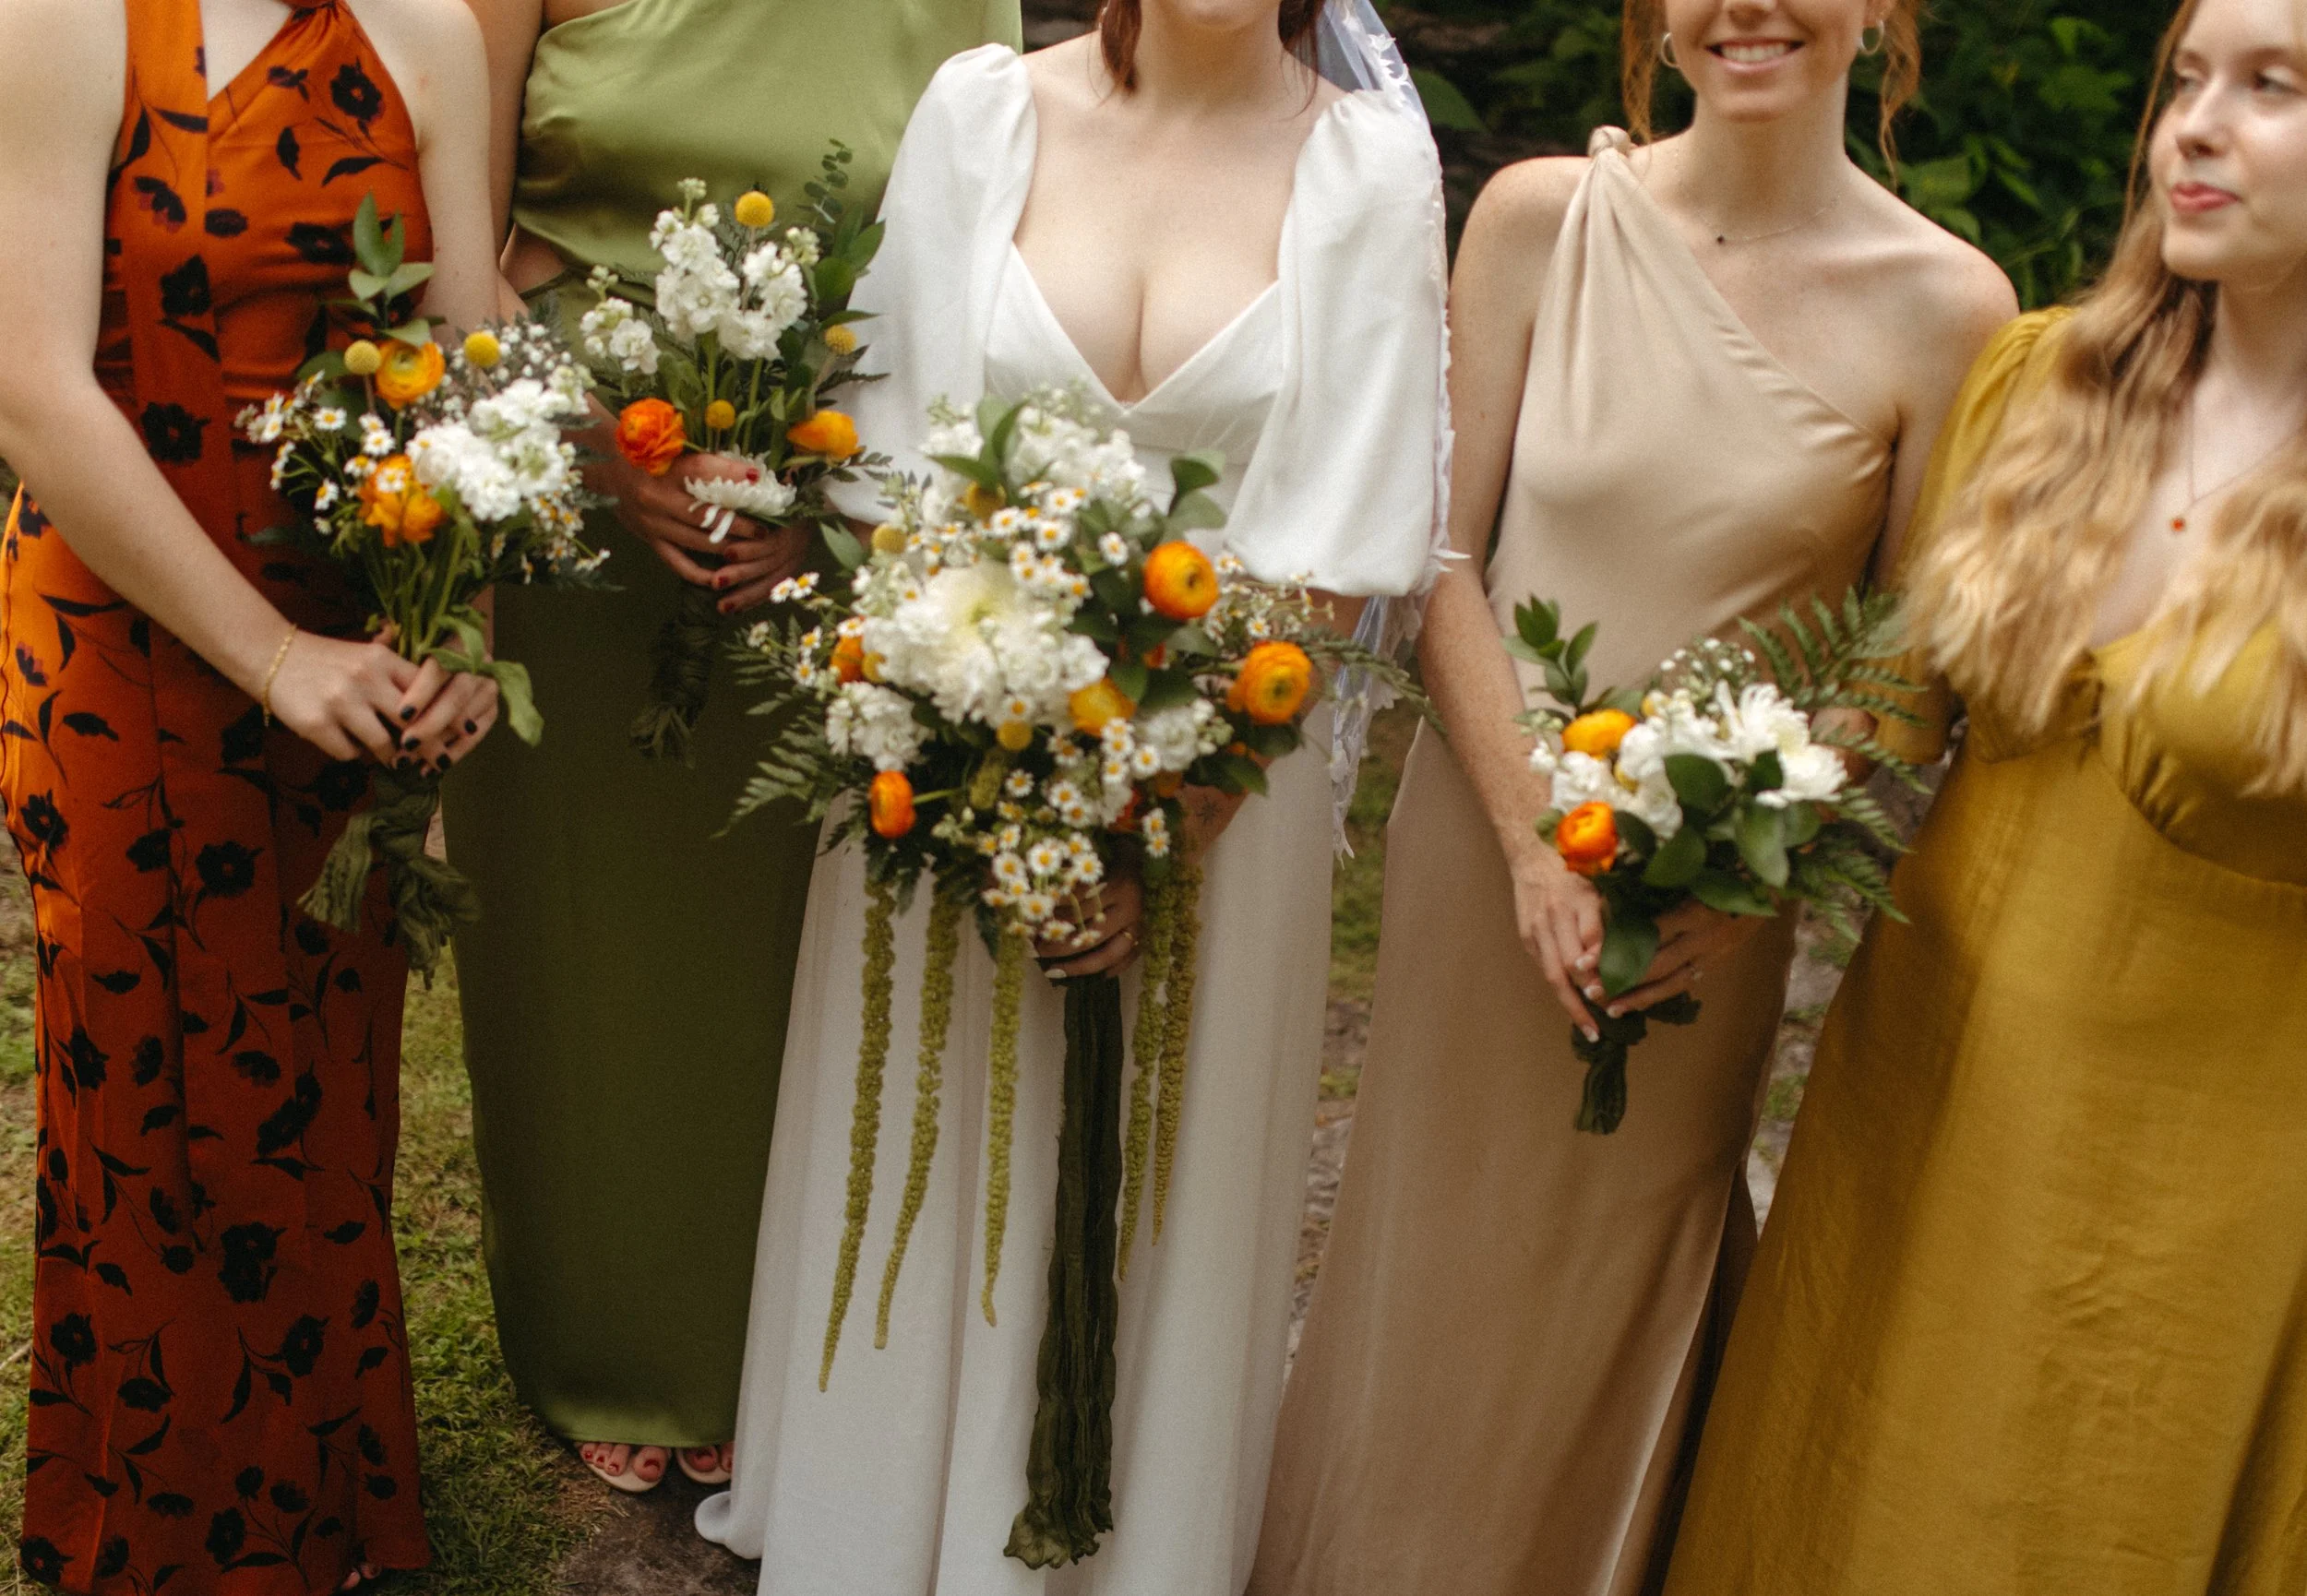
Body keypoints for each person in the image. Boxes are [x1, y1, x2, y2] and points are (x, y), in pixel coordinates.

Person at [1251, 2, 2016, 1591]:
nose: (1747, 9)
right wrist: (1532, 837)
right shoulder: (1540, 219)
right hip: (1486, 851)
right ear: (1657, 24)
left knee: (1617, 1264)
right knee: (1432, 1252)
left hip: (1711, 897)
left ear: (1880, 15)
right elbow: (1438, 550)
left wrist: (1756, 872)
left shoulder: (1952, 306)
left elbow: (1908, 656)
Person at [692, 1, 1448, 1587]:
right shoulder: (984, 114)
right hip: (958, 733)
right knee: (931, 1134)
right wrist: (976, 750)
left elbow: (1343, 538)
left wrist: (1169, 819)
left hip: (1229, 767)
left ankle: (1114, 1541)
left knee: (1157, 1170)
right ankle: (883, 1531)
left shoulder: (1368, 171)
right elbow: (888, 472)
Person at [1661, 0, 2307, 1586]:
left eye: (2272, 88)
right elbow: (1886, 708)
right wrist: (1690, 841)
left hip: (2195, 1183)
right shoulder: (2039, 383)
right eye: (2186, 81)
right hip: (1918, 1092)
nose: (2196, 126)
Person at [448, 0, 1021, 1493]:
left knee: (782, 942)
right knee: (586, 940)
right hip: (566, 499)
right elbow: (459, 239)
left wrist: (841, 504)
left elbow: (983, 254)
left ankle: (767, 1337)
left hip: (822, 498)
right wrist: (596, 449)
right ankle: (608, 1333)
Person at [0, 0, 501, 1588]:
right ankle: (159, 1532)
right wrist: (271, 654)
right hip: (122, 641)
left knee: (320, 1079)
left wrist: (467, 624)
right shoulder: (63, 20)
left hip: (354, 636)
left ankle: (324, 1507)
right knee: (147, 1086)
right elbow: (28, 385)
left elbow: (466, 369)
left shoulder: (430, 34)